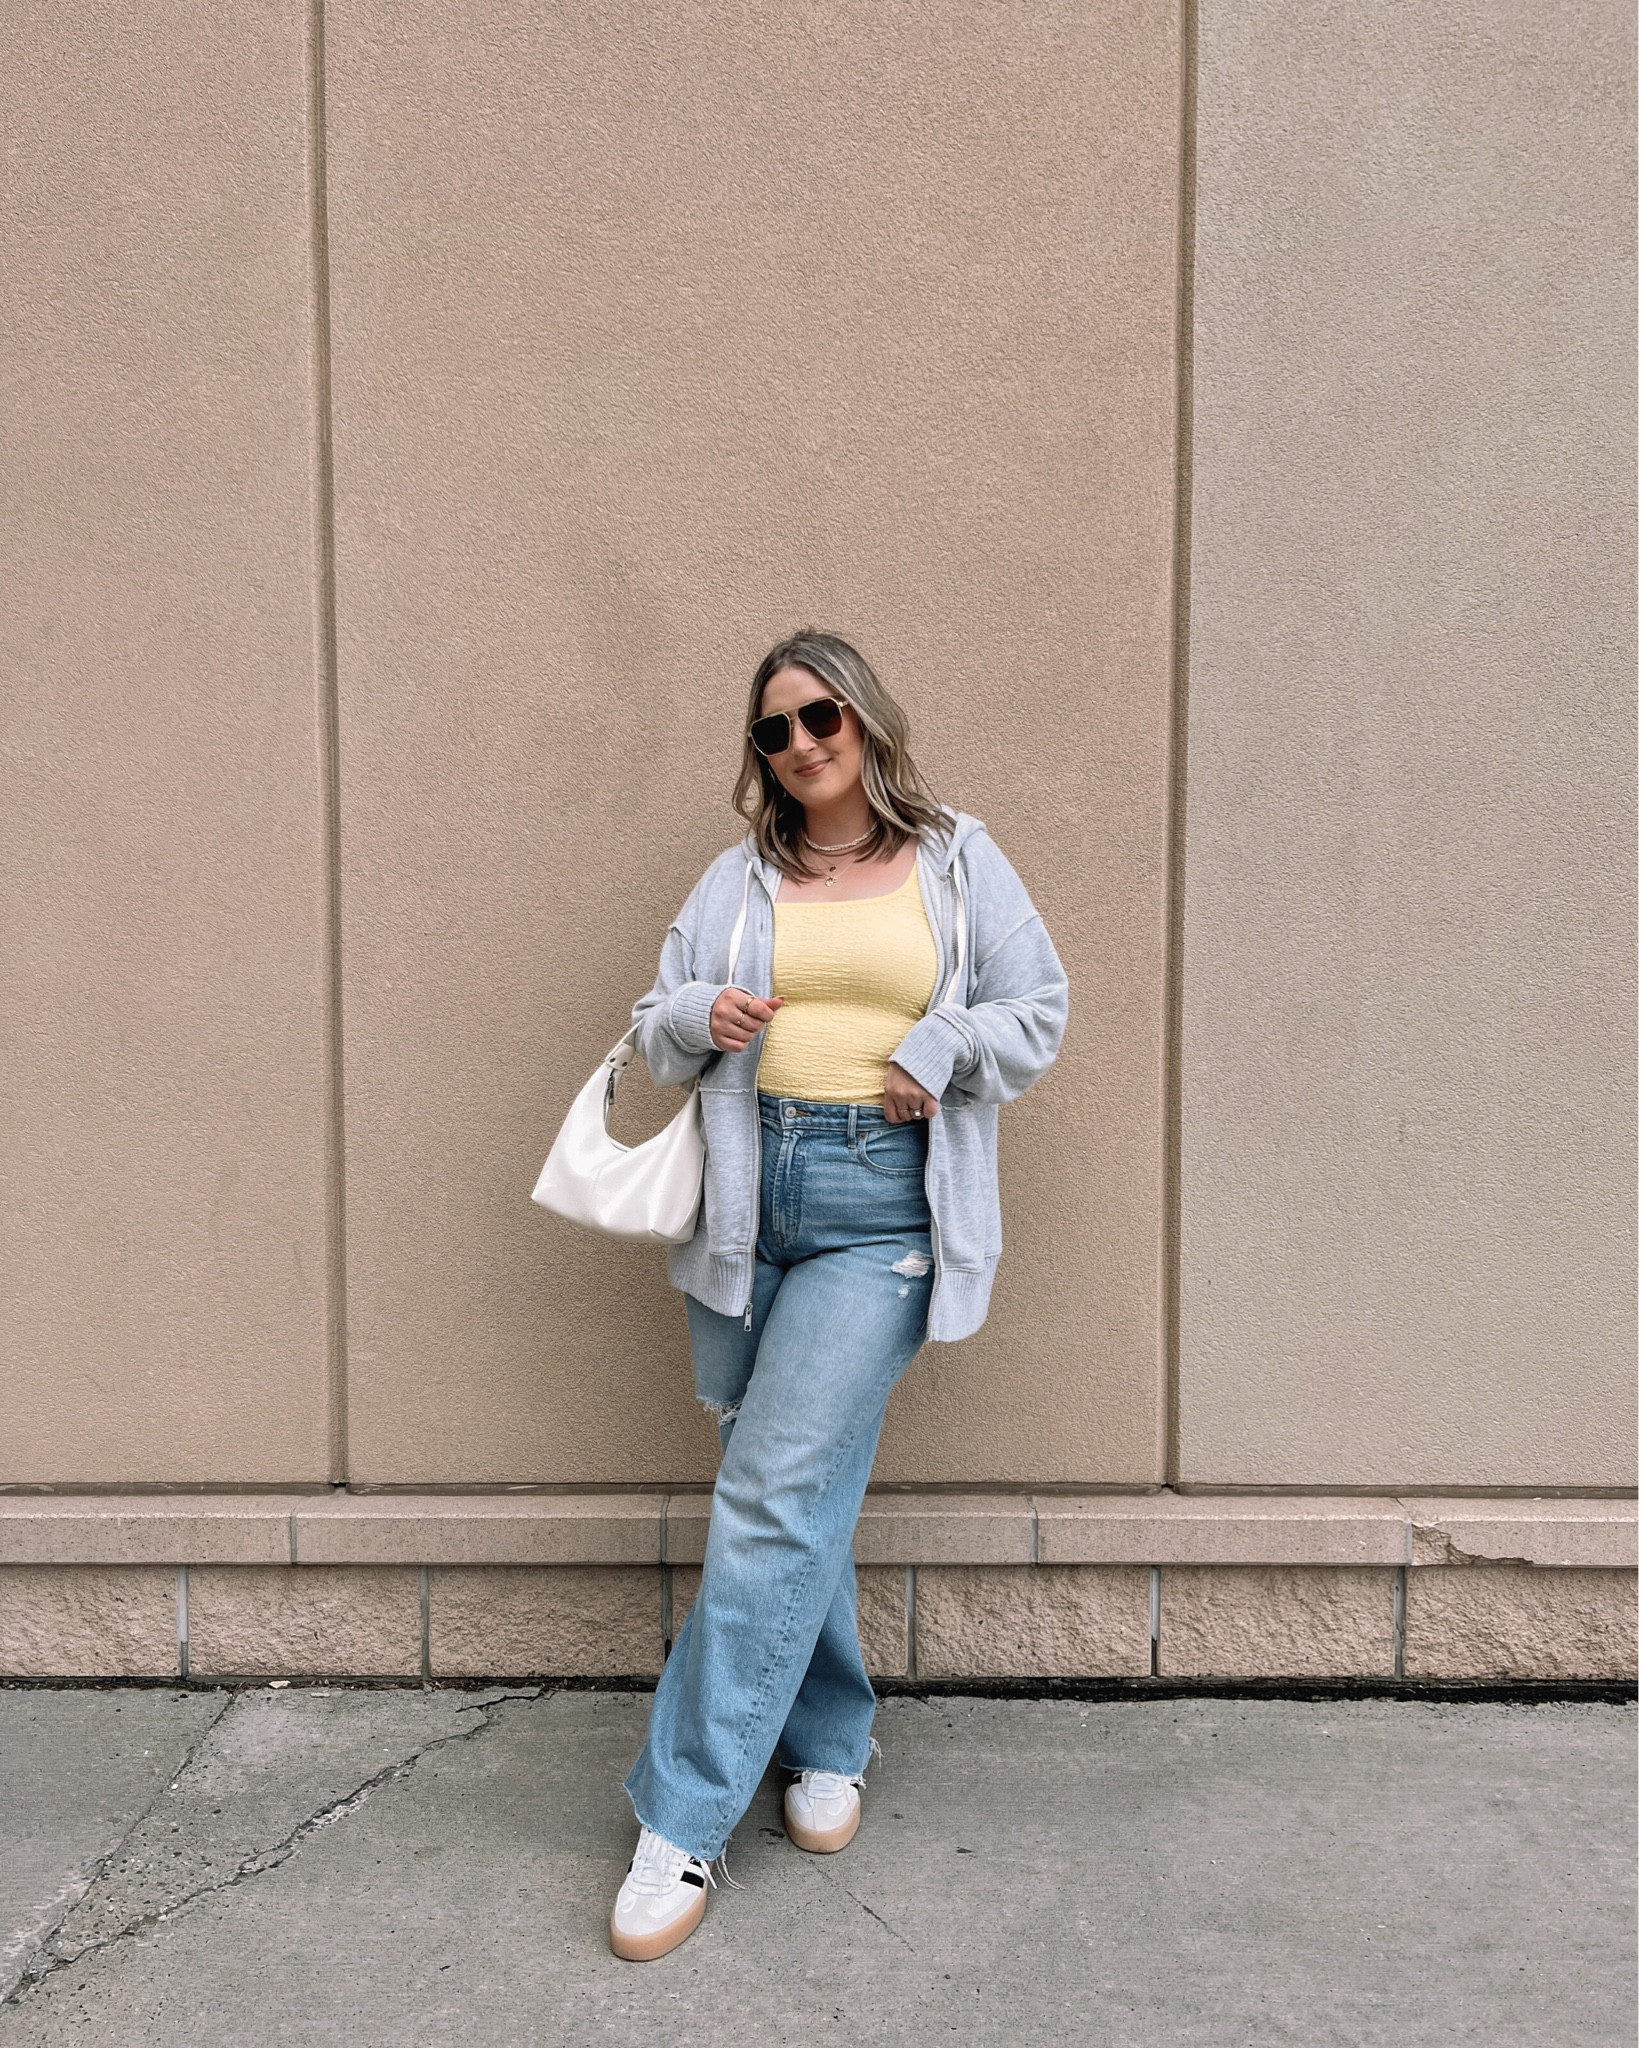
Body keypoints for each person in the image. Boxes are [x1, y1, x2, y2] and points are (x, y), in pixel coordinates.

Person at [609, 629, 1068, 1961]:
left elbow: (1036, 1010)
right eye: (773, 732)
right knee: (792, 1485)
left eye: (819, 717)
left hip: (882, 1209)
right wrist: (703, 1017)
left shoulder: (958, 859)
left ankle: (681, 1819)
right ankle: (827, 1738)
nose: (801, 745)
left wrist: (943, 1043)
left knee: (766, 1492)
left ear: (863, 717)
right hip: (750, 1209)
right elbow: (653, 1023)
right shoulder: (738, 879)